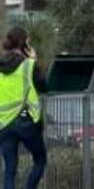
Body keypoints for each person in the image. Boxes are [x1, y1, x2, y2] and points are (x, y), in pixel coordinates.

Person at [0, 26, 47, 189]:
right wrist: (34, 60)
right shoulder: (29, 65)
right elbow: (43, 86)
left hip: (4, 124)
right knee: (40, 160)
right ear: (24, 44)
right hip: (26, 121)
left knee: (9, 170)